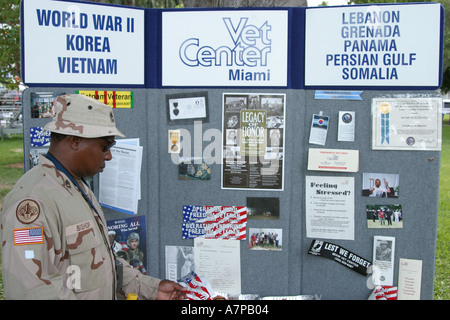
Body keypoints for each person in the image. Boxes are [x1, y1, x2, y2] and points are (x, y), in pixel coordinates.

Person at [0, 94, 186, 300]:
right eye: (105, 147)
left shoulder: (77, 187)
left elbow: (100, 262)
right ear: (75, 141)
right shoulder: (32, 202)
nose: (109, 156)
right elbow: (32, 291)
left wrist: (150, 289)